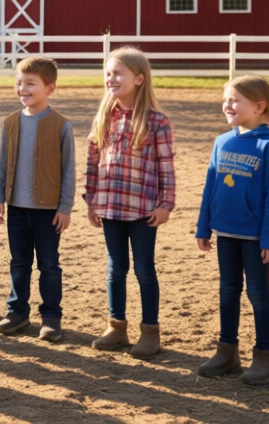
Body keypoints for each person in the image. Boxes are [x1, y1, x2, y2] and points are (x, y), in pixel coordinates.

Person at [195, 75, 269, 386]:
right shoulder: (222, 141)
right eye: (226, 99)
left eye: (235, 100)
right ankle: (227, 351)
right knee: (227, 291)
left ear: (259, 106)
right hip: (225, 232)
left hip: (255, 236)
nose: (227, 105)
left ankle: (264, 356)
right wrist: (204, 225)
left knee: (258, 294)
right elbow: (211, 186)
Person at [85, 48, 176, 358]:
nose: (111, 79)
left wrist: (166, 203)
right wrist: (91, 199)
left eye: (118, 73)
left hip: (143, 208)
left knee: (143, 268)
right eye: (108, 73)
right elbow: (92, 160)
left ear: (139, 78)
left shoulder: (156, 121)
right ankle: (117, 326)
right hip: (110, 205)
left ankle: (150, 331)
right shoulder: (103, 117)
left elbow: (166, 166)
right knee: (116, 268)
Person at [0, 56, 76, 342]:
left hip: (48, 210)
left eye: (30, 83)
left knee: (49, 265)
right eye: (19, 83)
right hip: (16, 208)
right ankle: (17, 312)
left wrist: (65, 207)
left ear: (49, 88)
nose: (23, 88)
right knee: (19, 262)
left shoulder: (62, 125)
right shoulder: (11, 122)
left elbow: (68, 171)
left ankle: (51, 317)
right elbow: (1, 163)